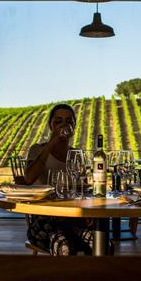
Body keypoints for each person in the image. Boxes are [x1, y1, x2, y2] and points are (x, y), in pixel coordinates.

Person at [24, 104, 92, 256]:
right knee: (64, 245)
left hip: (72, 217)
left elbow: (84, 189)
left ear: (74, 126)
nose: (64, 125)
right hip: (43, 219)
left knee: (100, 241)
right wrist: (51, 143)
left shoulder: (76, 155)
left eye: (68, 121)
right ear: (50, 125)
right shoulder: (37, 149)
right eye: (58, 121)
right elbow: (28, 179)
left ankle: (91, 278)